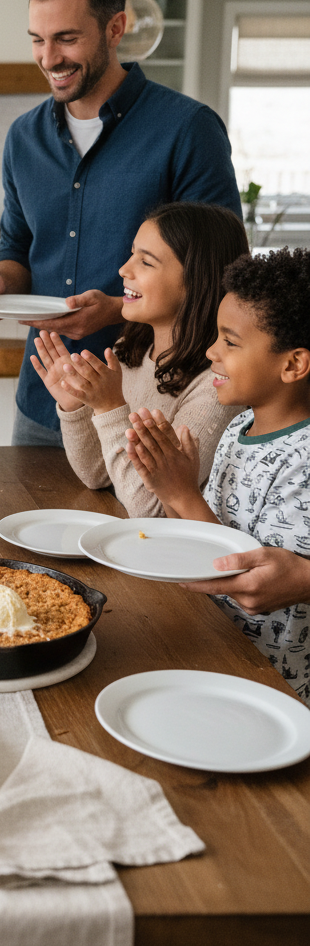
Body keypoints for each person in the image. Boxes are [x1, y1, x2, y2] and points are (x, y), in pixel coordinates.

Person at [0, 0, 241, 447]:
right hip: (45, 399)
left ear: (115, 28)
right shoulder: (23, 138)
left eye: (67, 38)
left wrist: (114, 309)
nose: (49, 58)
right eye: (38, 40)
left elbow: (220, 267)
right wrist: (0, 283)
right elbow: (17, 244)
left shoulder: (188, 129)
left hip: (150, 405)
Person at [124, 248, 310, 703]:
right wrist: (170, 490)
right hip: (212, 643)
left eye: (230, 341)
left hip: (270, 684)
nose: (211, 351)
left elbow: (244, 575)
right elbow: (201, 540)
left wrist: (183, 494)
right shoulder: (239, 428)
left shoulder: (303, 460)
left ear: (292, 365)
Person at [30, 201, 246, 516]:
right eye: (133, 254)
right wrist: (75, 407)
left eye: (145, 262)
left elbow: (153, 510)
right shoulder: (130, 350)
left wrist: (110, 408)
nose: (124, 269)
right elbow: (96, 474)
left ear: (196, 279)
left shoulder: (216, 388)